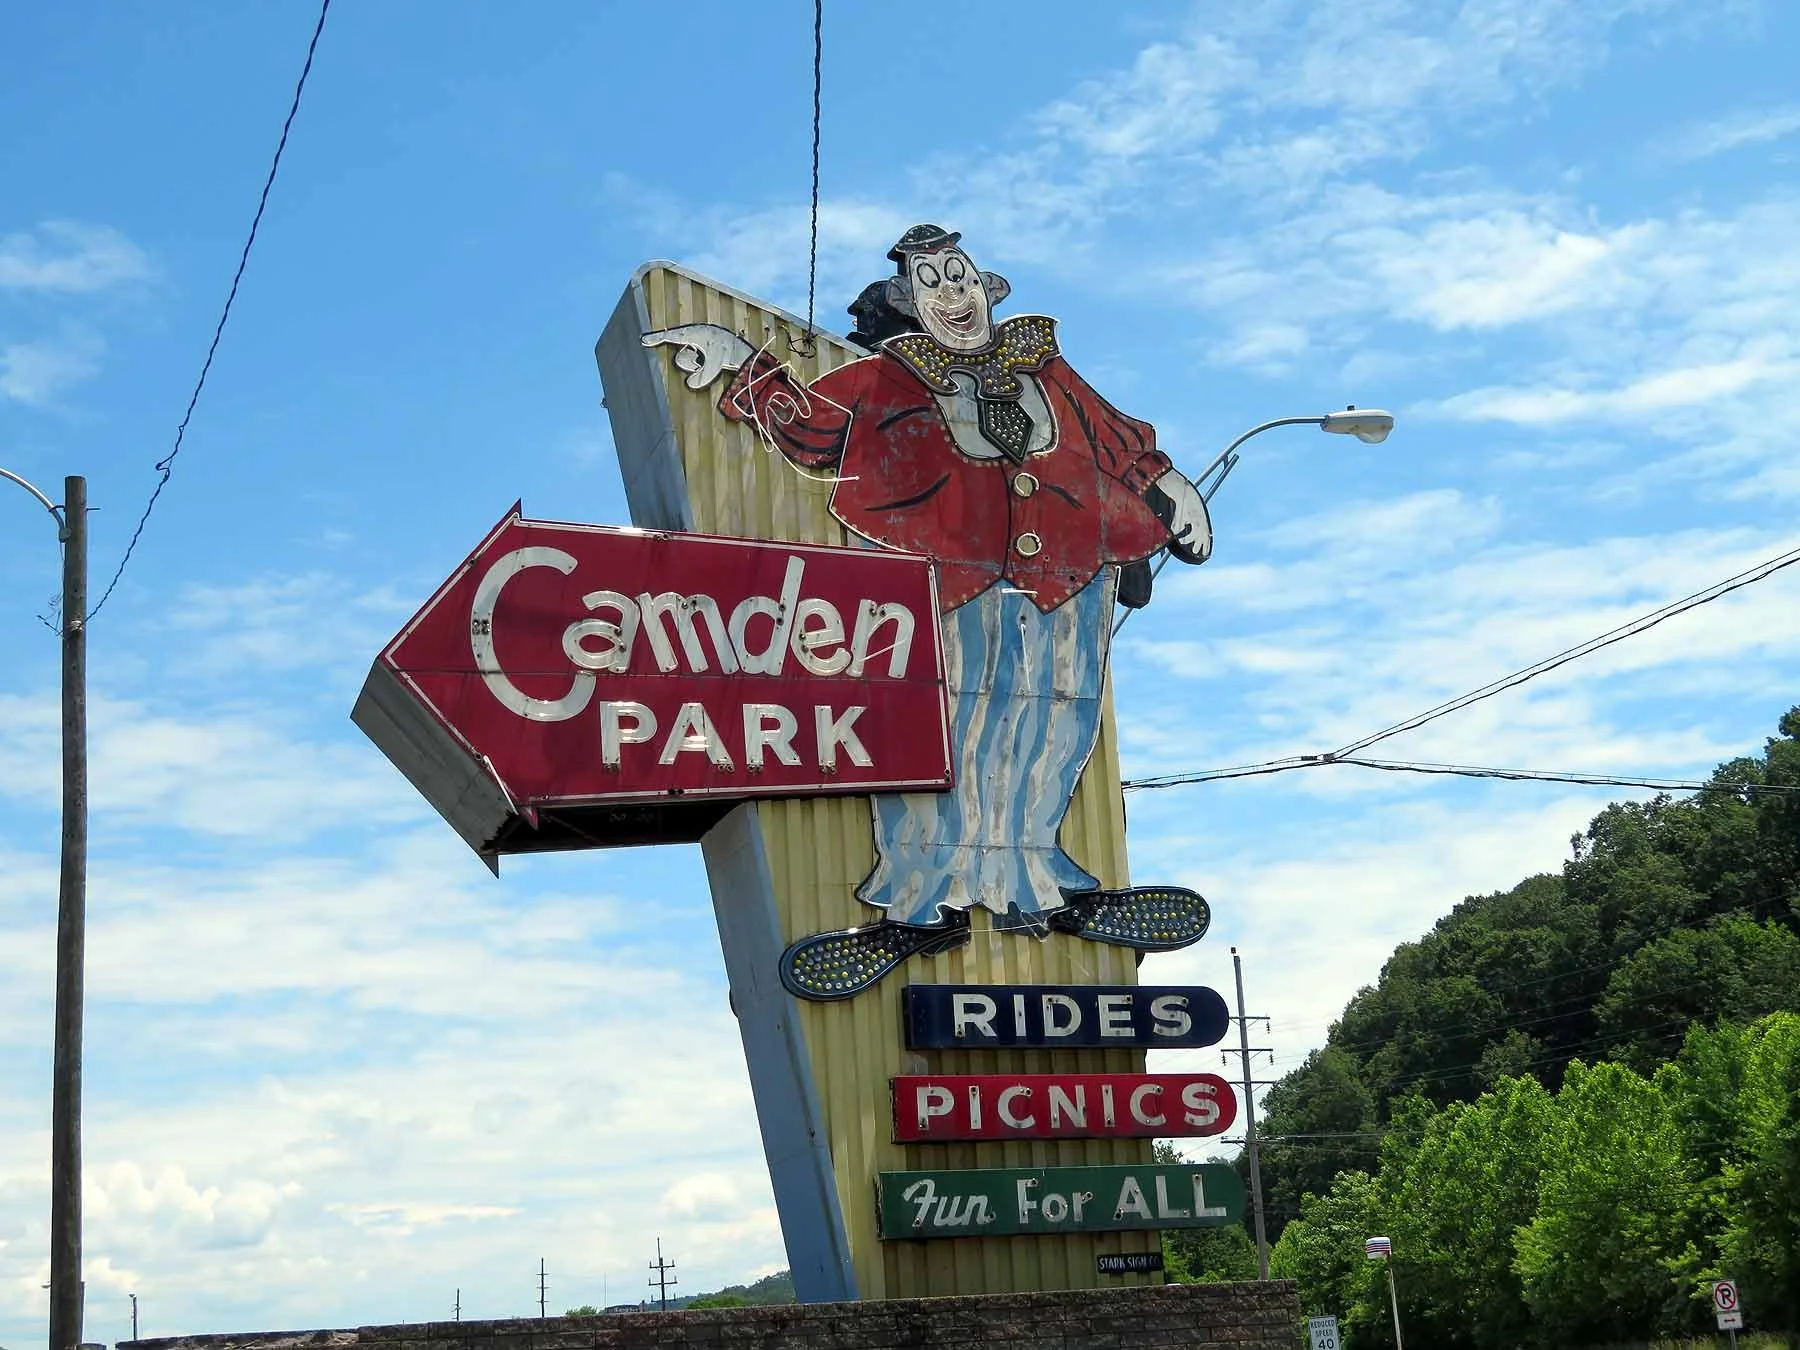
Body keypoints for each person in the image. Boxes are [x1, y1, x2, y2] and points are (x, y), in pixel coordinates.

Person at [645, 224, 1212, 997]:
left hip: (1066, 574)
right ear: (911, 303)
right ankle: (918, 903)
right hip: (947, 582)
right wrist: (741, 362)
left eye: (962, 276)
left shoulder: (1043, 365)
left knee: (1055, 722)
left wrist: (1171, 486)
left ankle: (1038, 884)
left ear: (985, 289)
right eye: (933, 282)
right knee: (939, 734)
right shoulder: (886, 378)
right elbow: (813, 432)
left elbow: (1115, 439)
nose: (953, 293)